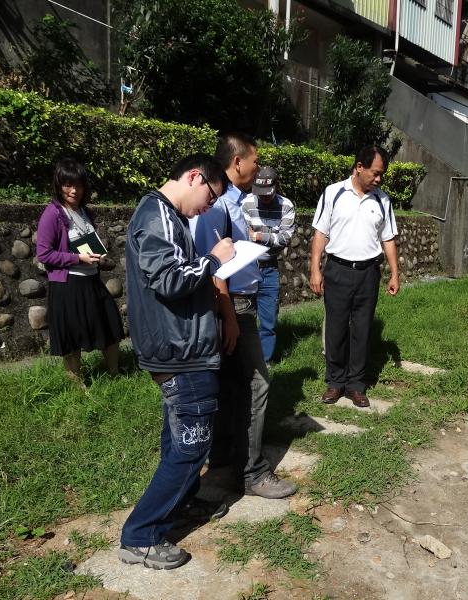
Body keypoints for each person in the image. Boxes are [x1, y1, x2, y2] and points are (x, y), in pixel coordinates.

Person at [119, 154, 236, 569]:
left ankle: (179, 506)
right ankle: (141, 535)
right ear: (194, 177)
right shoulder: (160, 215)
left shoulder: (163, 215)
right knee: (191, 446)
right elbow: (169, 280)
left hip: (179, 347)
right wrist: (215, 260)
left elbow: (170, 273)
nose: (208, 207)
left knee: (180, 437)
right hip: (180, 352)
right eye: (210, 196)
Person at [193, 133, 297, 499]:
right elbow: (211, 264)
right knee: (257, 384)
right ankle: (252, 472)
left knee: (230, 386)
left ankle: (224, 458)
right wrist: (230, 315)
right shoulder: (219, 204)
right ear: (238, 162)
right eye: (254, 160)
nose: (257, 166)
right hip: (233, 304)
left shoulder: (235, 202)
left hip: (239, 301)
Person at [309, 145, 400, 408]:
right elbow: (320, 235)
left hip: (368, 274)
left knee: (362, 329)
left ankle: (356, 385)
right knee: (336, 329)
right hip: (337, 270)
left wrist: (395, 274)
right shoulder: (333, 193)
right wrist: (315, 269)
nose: (379, 179)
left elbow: (389, 239)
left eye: (381, 174)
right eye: (376, 173)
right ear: (359, 167)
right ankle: (335, 382)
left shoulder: (382, 200)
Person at [36, 158, 123, 381]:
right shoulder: (52, 214)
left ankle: (114, 373)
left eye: (78, 185)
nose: (73, 190)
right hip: (67, 284)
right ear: (58, 185)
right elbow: (44, 254)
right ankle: (77, 387)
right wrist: (77, 258)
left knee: (110, 324)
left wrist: (96, 257)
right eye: (67, 185)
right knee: (71, 337)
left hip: (91, 279)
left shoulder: (84, 211)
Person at [241, 166, 296, 364]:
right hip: (247, 267)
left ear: (276, 186)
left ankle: (264, 362)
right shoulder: (246, 203)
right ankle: (245, 360)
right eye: (260, 194)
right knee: (244, 317)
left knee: (268, 320)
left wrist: (258, 235)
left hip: (269, 267)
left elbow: (285, 238)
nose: (264, 198)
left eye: (268, 194)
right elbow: (242, 235)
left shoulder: (286, 206)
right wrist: (270, 237)